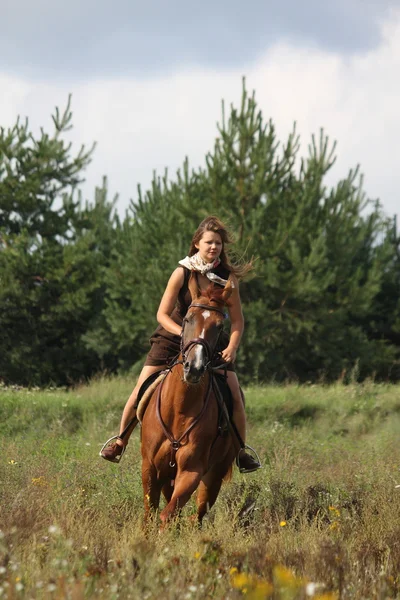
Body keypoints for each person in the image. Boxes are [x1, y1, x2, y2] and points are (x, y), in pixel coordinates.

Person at [100, 216, 261, 473]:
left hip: (211, 344)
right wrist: (185, 337)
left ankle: (241, 452)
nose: (214, 247)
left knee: (235, 395)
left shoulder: (228, 278)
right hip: (172, 337)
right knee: (141, 388)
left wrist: (232, 347)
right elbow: (162, 315)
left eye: (218, 243)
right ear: (197, 243)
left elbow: (238, 322)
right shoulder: (182, 272)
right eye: (209, 242)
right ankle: (120, 441)